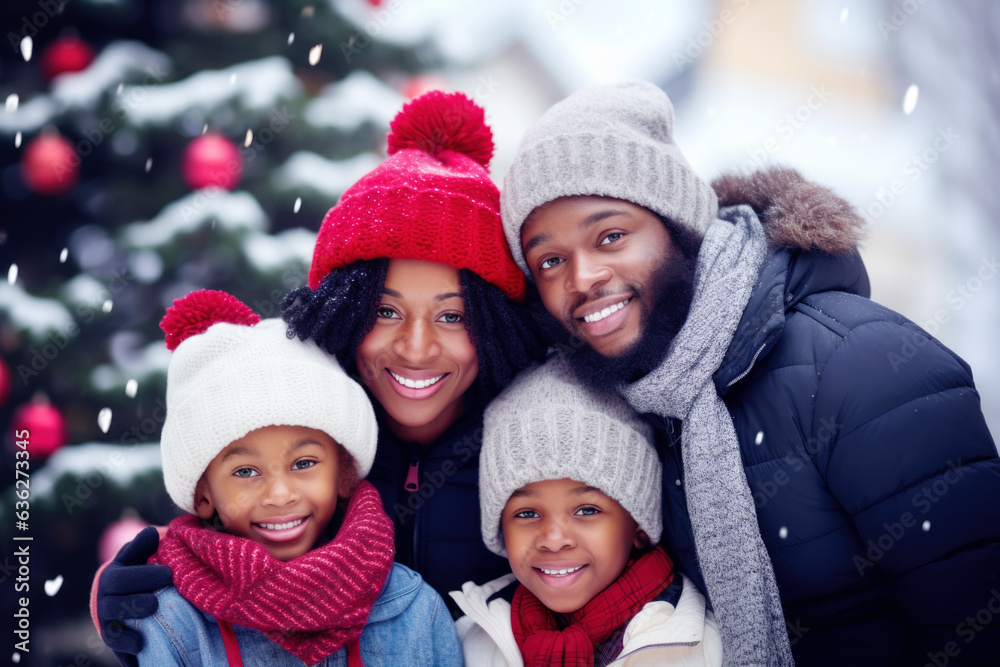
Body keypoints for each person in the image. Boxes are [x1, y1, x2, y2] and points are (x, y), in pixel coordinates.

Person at [499, 81, 1000, 665]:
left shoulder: (856, 363)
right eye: (550, 261)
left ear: (679, 227)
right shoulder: (638, 405)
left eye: (610, 237)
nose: (581, 278)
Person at [95, 90, 546, 663]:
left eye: (453, 316)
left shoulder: (529, 444)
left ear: (496, 324)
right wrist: (130, 595)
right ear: (346, 308)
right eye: (385, 310)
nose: (414, 346)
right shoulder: (313, 417)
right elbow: (223, 521)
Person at [122, 289, 462, 666]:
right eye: (246, 471)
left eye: (303, 464)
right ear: (204, 494)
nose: (280, 494)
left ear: (344, 472)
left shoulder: (415, 610)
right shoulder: (172, 620)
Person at [451, 355, 723, 667]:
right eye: (527, 513)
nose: (553, 539)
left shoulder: (701, 649)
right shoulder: (475, 641)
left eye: (586, 510)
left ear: (639, 523)